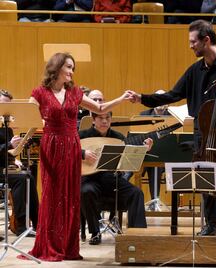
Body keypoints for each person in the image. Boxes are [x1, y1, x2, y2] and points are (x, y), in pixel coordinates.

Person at [129, 20, 216, 236]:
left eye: (193, 41)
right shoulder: (194, 70)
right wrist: (142, 98)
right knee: (205, 177)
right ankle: (212, 224)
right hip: (202, 133)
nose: (190, 46)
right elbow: (172, 95)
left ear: (206, 40)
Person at [20, 52, 133, 261]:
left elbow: (99, 108)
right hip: (51, 146)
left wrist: (120, 98)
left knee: (70, 196)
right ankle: (49, 245)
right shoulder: (39, 92)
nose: (72, 71)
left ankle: (67, 247)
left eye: (73, 68)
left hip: (72, 146)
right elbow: (27, 118)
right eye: (69, 67)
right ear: (57, 67)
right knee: (52, 195)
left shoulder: (74, 92)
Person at [79, 112, 151, 245]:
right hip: (90, 179)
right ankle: (95, 232)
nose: (105, 121)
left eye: (108, 118)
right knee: (86, 191)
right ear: (93, 120)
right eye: (101, 118)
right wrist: (83, 153)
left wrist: (144, 149)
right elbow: (68, 150)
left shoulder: (118, 137)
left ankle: (137, 234)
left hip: (111, 179)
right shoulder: (82, 136)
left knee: (136, 193)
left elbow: (129, 157)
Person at [0, 90, 39, 236]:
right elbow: (4, 148)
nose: (7, 110)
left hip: (4, 167)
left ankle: (37, 222)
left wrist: (15, 157)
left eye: (9, 106)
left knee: (28, 175)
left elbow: (6, 153)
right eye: (3, 105)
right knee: (21, 180)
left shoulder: (7, 128)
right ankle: (21, 225)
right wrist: (9, 144)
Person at [140, 90, 170, 208]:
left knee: (155, 166)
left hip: (166, 156)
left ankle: (155, 201)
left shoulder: (173, 117)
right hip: (146, 155)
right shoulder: (143, 116)